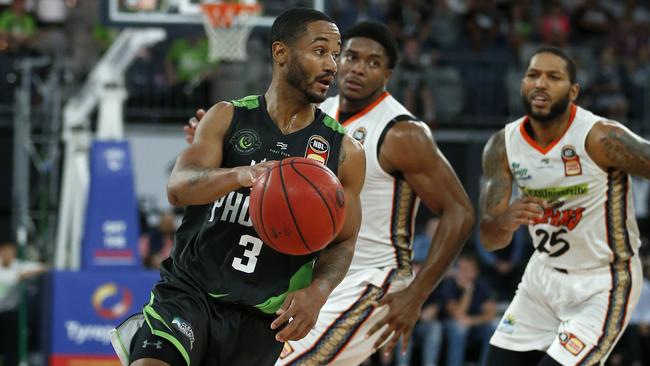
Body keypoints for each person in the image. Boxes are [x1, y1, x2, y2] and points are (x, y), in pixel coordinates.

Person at [186, 20, 474, 365]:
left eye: (373, 62)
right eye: (350, 56)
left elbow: (460, 211)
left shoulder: (402, 133)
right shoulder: (316, 114)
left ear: (388, 75)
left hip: (371, 279)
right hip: (314, 271)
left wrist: (416, 294)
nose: (357, 68)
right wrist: (216, 140)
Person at [110, 8, 365, 366]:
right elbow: (178, 188)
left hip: (263, 319)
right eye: (320, 51)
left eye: (335, 55)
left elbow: (345, 241)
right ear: (281, 53)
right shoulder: (227, 117)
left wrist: (319, 291)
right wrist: (240, 175)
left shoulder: (344, 153)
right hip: (190, 292)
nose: (332, 66)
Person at [479, 46, 648, 366]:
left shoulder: (601, 137)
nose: (541, 83)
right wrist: (504, 221)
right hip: (541, 279)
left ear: (573, 92)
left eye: (553, 77)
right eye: (533, 75)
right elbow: (489, 238)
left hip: (603, 283)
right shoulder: (502, 145)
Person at [438, 253, 496, 366]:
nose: (462, 272)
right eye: (460, 268)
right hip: (450, 324)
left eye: (466, 269)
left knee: (493, 327)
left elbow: (491, 313)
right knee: (459, 328)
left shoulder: (481, 285)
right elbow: (457, 315)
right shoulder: (450, 284)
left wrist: (472, 321)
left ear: (476, 271)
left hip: (474, 324)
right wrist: (468, 291)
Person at [0, 240, 48, 366]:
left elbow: (45, 267)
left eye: (10, 251)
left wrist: (25, 275)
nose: (7, 254)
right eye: (4, 251)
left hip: (9, 313)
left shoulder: (19, 266)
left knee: (12, 337)